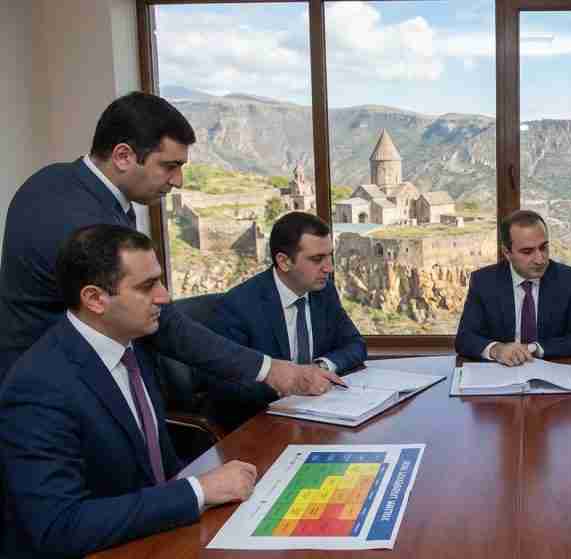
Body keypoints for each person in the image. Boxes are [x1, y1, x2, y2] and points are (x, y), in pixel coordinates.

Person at [0, 91, 336, 396]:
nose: (178, 181)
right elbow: (164, 323)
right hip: (61, 396)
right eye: (170, 166)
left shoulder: (62, 183)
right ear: (123, 156)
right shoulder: (78, 217)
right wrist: (270, 370)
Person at [0, 225, 259, 557]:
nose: (164, 297)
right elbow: (58, 525)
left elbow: (153, 466)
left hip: (154, 533)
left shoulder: (132, 345)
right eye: (148, 286)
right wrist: (198, 491)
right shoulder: (37, 387)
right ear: (95, 299)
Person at [206, 212, 367, 431]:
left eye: (330, 256)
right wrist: (291, 381)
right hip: (262, 426)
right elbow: (225, 386)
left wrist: (318, 368)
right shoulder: (239, 305)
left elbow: (355, 345)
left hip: (320, 418)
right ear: (283, 261)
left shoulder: (323, 291)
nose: (329, 268)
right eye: (317, 259)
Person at [455, 210, 571, 366]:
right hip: (502, 375)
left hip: (552, 373)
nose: (540, 259)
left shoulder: (569, 280)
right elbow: (465, 338)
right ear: (507, 252)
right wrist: (497, 350)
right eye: (527, 251)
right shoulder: (484, 281)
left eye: (543, 248)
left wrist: (534, 348)